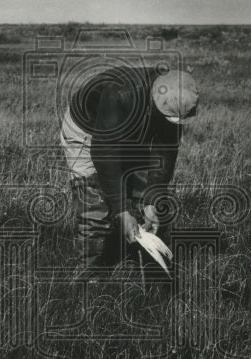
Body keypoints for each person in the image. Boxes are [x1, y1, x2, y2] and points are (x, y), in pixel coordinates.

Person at [60, 65, 199, 268]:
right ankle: (91, 273)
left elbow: (165, 152)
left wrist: (152, 200)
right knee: (93, 201)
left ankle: (146, 259)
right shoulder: (119, 93)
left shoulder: (174, 96)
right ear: (154, 100)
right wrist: (122, 212)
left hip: (130, 131)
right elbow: (104, 153)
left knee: (147, 197)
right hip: (87, 131)